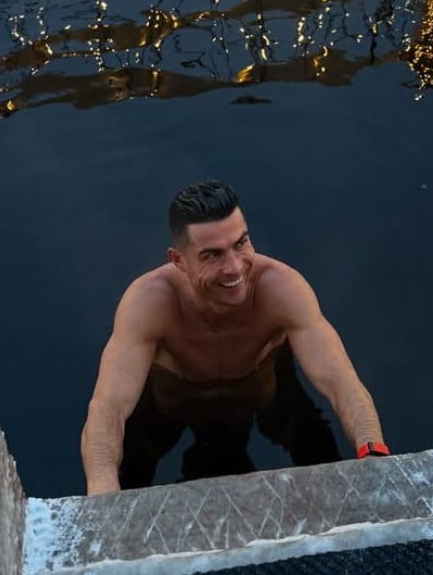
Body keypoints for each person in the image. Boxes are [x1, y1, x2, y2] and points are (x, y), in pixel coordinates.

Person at [80, 180, 386, 494]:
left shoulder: (280, 289)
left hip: (265, 402)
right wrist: (103, 491)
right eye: (212, 255)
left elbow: (340, 381)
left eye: (241, 244)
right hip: (170, 411)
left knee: (314, 444)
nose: (234, 268)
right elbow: (109, 407)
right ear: (178, 260)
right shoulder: (150, 302)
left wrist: (373, 452)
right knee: (133, 463)